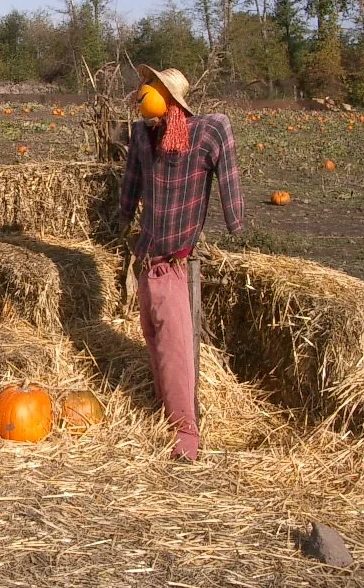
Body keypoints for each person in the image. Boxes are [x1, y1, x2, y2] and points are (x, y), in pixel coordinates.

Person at [119, 64, 244, 462]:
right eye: (146, 85)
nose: (145, 92)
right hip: (148, 256)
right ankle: (165, 410)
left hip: (176, 258)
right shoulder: (143, 135)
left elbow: (229, 169)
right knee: (153, 335)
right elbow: (132, 181)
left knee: (175, 345)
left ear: (172, 99)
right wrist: (123, 216)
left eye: (154, 86)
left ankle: (185, 430)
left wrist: (235, 219)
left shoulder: (207, 131)